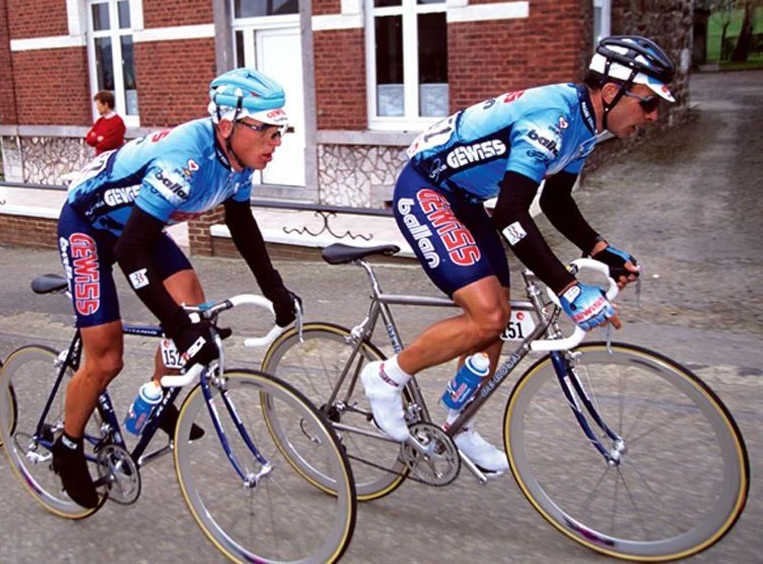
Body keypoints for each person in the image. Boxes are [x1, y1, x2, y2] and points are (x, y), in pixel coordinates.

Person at [361, 35, 674, 473]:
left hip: (467, 200)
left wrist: (601, 252)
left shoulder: (585, 125)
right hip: (426, 188)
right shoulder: (553, 118)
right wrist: (567, 289)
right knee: (487, 314)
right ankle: (386, 377)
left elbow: (555, 202)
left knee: (499, 319)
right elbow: (511, 212)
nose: (654, 115)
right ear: (611, 91)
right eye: (648, 103)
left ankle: (458, 422)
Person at [52, 67, 300, 507]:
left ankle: (158, 397)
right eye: (267, 131)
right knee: (107, 357)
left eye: (280, 131)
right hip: (89, 227)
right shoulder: (185, 160)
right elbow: (131, 254)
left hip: (136, 229)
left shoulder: (238, 158)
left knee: (193, 305)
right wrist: (179, 330)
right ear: (227, 124)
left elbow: (240, 223)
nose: (276, 143)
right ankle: (67, 446)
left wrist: (274, 288)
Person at [85, 90, 126, 155]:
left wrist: (96, 139)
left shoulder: (118, 122)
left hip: (112, 159)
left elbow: (109, 143)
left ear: (106, 104)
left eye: (98, 104)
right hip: (100, 159)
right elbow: (88, 139)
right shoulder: (100, 121)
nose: (97, 107)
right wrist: (98, 138)